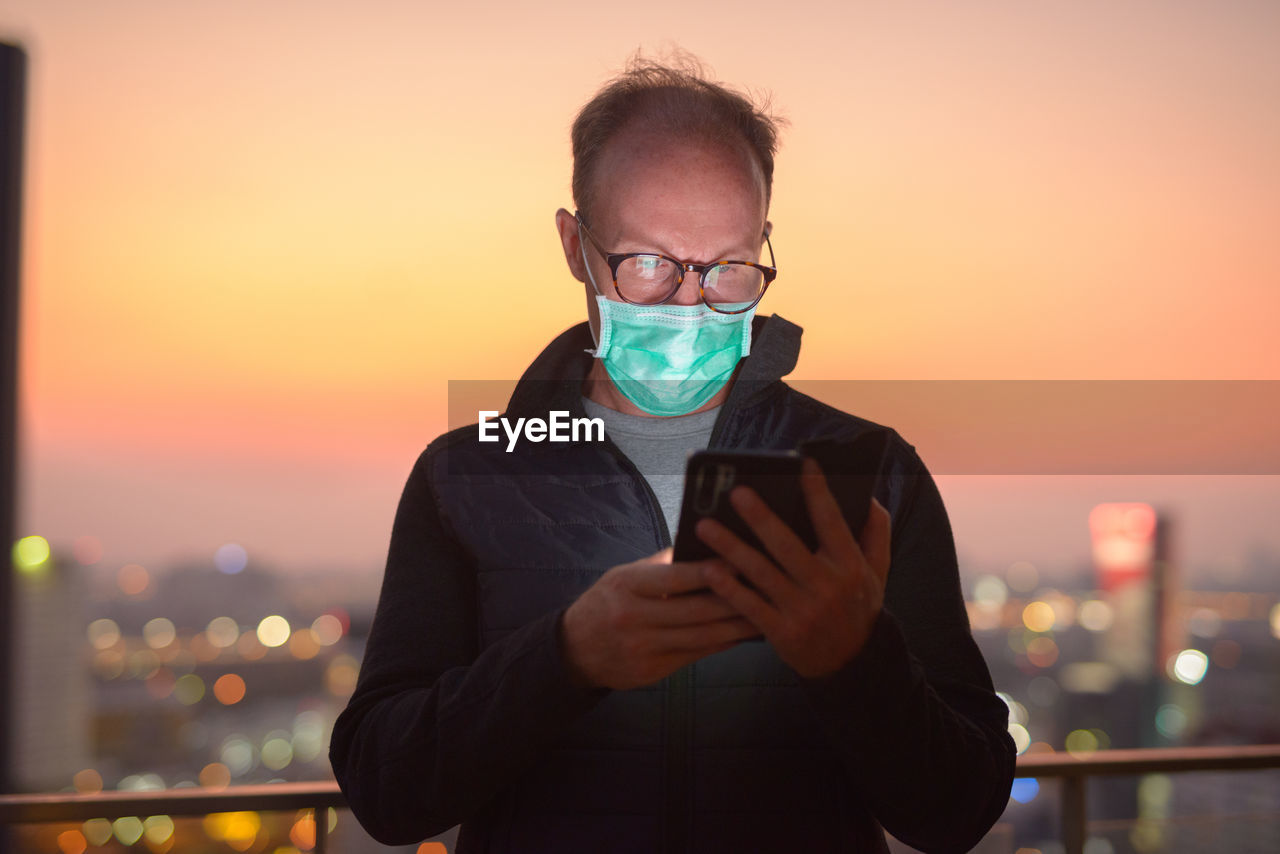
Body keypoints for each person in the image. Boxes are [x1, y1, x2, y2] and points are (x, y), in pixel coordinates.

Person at [330, 55, 1015, 853]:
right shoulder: (469, 475)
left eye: (729, 267)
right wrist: (567, 657)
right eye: (649, 262)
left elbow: (958, 810)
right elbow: (386, 789)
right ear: (574, 245)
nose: (691, 303)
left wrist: (856, 661)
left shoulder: (868, 470)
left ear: (763, 244)